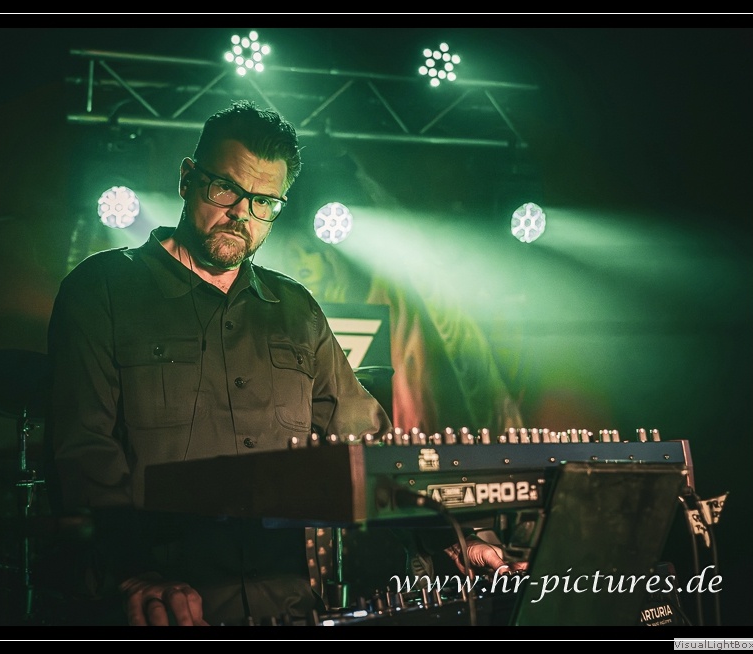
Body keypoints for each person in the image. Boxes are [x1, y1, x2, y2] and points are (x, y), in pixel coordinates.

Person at [43, 100, 524, 627]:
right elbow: (84, 451)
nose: (241, 214)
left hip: (286, 608)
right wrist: (133, 572)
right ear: (187, 179)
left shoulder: (296, 309)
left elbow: (367, 444)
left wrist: (455, 538)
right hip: (170, 611)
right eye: (225, 189)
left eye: (264, 202)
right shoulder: (102, 289)